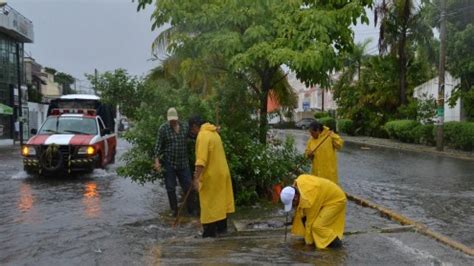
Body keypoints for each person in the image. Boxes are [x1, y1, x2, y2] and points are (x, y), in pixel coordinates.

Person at [189, 116, 234, 238]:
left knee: (209, 205)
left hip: (212, 176)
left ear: (194, 126)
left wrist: (196, 179)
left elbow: (201, 161)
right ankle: (222, 230)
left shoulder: (203, 135)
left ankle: (209, 234)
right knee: (220, 204)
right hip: (221, 174)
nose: (192, 133)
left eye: (192, 130)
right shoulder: (214, 134)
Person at [280, 174, 347, 249]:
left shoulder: (309, 198)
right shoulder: (298, 186)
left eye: (293, 204)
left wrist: (308, 245)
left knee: (317, 226)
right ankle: (316, 239)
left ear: (295, 197)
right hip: (324, 196)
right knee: (302, 214)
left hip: (336, 200)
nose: (293, 206)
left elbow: (310, 222)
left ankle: (337, 245)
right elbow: (303, 214)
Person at [154, 107, 194, 217]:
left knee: (188, 186)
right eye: (171, 120)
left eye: (174, 120)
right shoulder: (163, 129)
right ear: (168, 119)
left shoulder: (185, 126)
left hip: (183, 162)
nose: (173, 122)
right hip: (169, 162)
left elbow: (194, 135)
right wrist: (157, 162)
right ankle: (174, 210)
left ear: (177, 118)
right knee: (170, 187)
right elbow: (158, 146)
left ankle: (191, 210)